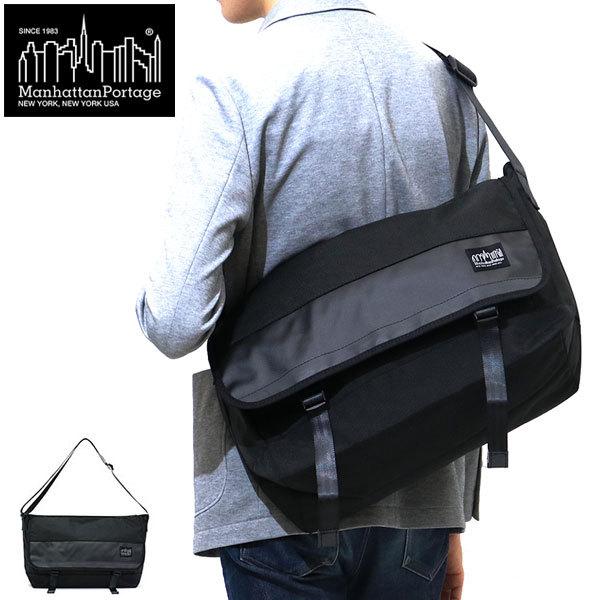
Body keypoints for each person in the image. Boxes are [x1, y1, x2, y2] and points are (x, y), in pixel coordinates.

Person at [136, 1, 489, 598]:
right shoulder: (446, 82)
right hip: (422, 496)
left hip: (279, 495)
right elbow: (475, 309)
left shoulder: (237, 87)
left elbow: (175, 322)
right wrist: (452, 515)